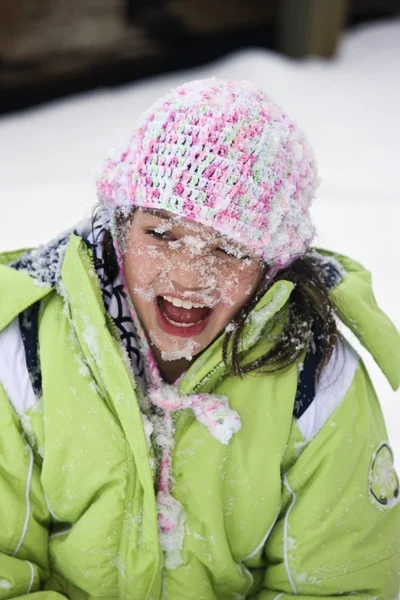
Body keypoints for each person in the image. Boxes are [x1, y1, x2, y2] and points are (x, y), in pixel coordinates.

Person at [0, 78, 399, 599]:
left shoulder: (316, 381)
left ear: (272, 264)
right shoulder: (25, 353)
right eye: (161, 234)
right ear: (121, 225)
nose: (189, 278)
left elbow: (344, 583)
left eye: (229, 248)